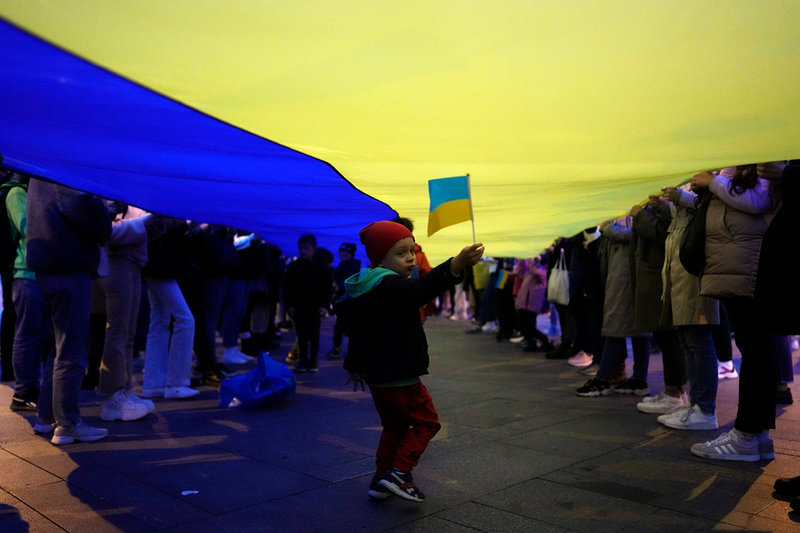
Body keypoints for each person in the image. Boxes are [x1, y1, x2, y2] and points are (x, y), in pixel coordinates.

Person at [336, 220, 483, 503]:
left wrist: (353, 365)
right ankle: (400, 473)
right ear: (380, 258)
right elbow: (420, 290)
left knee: (394, 427)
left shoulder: (365, 287)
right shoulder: (389, 285)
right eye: (400, 253)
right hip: (401, 375)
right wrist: (456, 264)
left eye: (411, 251)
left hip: (378, 379)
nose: (410, 258)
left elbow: (358, 332)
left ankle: (381, 479)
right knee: (428, 423)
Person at [688, 163, 784, 461]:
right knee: (756, 351)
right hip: (738, 270)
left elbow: (758, 201)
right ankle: (758, 436)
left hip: (749, 272)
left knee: (756, 353)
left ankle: (746, 435)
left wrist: (714, 182)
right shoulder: (739, 163)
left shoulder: (765, 159)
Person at [26, 178, 111, 444]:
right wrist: (105, 211)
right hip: (68, 264)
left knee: (59, 346)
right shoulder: (61, 171)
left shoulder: (36, 172)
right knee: (72, 348)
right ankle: (68, 423)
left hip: (49, 264)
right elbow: (83, 207)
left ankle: (46, 417)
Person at [284, 234, 332, 372]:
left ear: (314, 249)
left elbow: (327, 288)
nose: (302, 251)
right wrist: (290, 305)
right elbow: (288, 288)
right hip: (300, 306)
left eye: (306, 248)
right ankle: (303, 359)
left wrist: (324, 306)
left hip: (315, 307)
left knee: (313, 335)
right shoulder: (294, 267)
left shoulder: (321, 268)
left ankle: (312, 360)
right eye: (301, 248)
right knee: (302, 335)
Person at [327, 242, 361, 359]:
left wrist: (338, 286)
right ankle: (340, 350)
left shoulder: (352, 265)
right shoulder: (342, 265)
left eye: (347, 252)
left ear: (351, 253)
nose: (343, 254)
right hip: (343, 301)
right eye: (341, 251)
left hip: (350, 302)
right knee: (341, 327)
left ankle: (351, 352)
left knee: (348, 328)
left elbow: (350, 281)